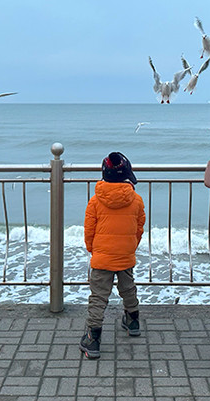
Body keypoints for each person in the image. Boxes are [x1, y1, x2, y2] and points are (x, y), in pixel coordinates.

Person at [80, 152, 146, 359]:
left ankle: (93, 339)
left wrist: (93, 249)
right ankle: (133, 321)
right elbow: (139, 227)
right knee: (128, 287)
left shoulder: (95, 201)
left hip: (102, 257)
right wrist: (131, 246)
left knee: (98, 296)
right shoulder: (136, 200)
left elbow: (89, 230)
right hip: (125, 253)